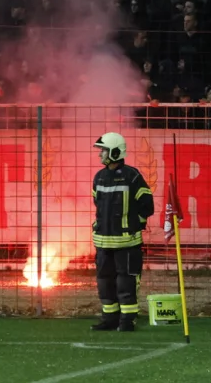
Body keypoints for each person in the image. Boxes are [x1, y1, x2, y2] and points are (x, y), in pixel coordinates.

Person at [89, 132, 154, 332]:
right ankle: (109, 319)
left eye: (104, 150)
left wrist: (134, 224)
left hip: (127, 243)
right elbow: (97, 204)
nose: (100, 154)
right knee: (104, 282)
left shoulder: (132, 176)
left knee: (126, 282)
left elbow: (147, 206)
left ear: (115, 152)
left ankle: (127, 321)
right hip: (103, 242)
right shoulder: (99, 177)